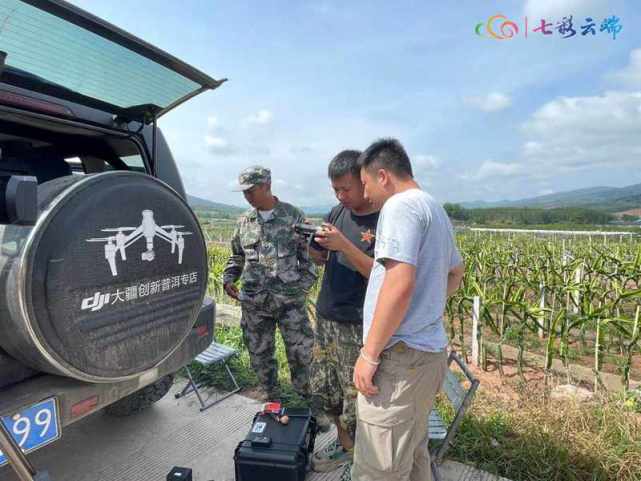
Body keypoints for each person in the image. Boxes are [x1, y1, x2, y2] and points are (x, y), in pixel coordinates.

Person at [351, 139, 465, 481]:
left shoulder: (400, 206)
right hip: (426, 358)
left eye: (366, 184)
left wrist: (370, 354)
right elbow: (456, 272)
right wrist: (425, 310)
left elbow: (399, 283)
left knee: (379, 468)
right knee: (413, 455)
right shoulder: (434, 208)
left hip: (400, 360)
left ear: (383, 176)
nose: (366, 195)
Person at [306, 150, 379, 474]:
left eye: (346, 189)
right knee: (328, 389)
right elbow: (321, 257)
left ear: (364, 181)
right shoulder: (338, 212)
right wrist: (314, 247)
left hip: (356, 323)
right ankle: (345, 445)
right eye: (335, 189)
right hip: (326, 317)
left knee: (356, 395)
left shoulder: (383, 219)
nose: (340, 196)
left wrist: (344, 245)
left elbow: (381, 275)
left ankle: (364, 455)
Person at [222, 166, 318, 402]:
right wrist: (229, 277)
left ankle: (307, 400)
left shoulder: (293, 216)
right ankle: (271, 397)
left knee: (302, 353)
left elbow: (310, 258)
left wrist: (301, 289)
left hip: (290, 302)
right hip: (254, 302)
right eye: (244, 192)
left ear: (267, 186)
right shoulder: (244, 221)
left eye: (251, 191)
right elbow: (237, 255)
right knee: (259, 353)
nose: (247, 196)